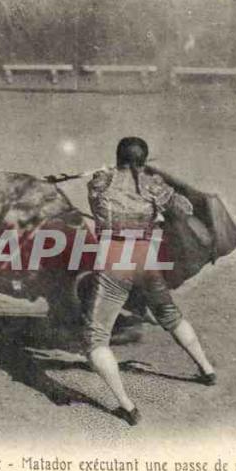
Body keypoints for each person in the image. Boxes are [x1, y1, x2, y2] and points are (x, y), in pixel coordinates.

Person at [82, 136, 216, 426]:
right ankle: (206, 369)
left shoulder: (99, 182)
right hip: (146, 257)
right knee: (168, 313)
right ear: (144, 159)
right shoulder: (156, 187)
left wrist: (110, 173)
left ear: (117, 157)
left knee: (95, 339)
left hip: (115, 259)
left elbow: (94, 198)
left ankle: (127, 407)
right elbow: (185, 209)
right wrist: (159, 186)